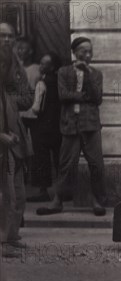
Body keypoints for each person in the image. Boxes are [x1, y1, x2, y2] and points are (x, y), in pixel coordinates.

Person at [37, 37, 106, 216]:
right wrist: (83, 96)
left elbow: (97, 98)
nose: (88, 54)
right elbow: (63, 95)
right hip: (70, 125)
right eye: (83, 51)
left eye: (90, 51)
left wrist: (88, 76)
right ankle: (57, 201)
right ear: (74, 53)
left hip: (91, 125)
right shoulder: (63, 72)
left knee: (97, 165)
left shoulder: (96, 74)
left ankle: (97, 201)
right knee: (66, 165)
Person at [0, 22, 34, 257]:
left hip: (16, 136)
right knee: (8, 192)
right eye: (1, 36)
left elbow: (28, 99)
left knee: (18, 192)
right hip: (3, 138)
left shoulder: (17, 67)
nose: (6, 40)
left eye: (10, 36)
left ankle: (11, 237)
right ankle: (5, 241)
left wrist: (11, 99)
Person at [26, 53, 63, 202]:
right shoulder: (61, 81)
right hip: (58, 126)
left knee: (42, 160)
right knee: (59, 159)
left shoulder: (42, 83)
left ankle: (44, 191)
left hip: (42, 127)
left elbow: (36, 108)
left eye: (43, 64)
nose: (40, 66)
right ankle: (62, 192)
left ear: (51, 67)